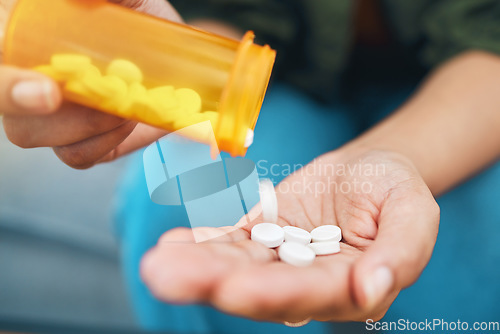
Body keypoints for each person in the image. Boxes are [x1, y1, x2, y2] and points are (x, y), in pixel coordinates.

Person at [2, 0, 500, 332]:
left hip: (470, 90)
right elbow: (231, 10)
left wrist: (389, 157)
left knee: (468, 246)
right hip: (282, 73)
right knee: (188, 211)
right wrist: (154, 62)